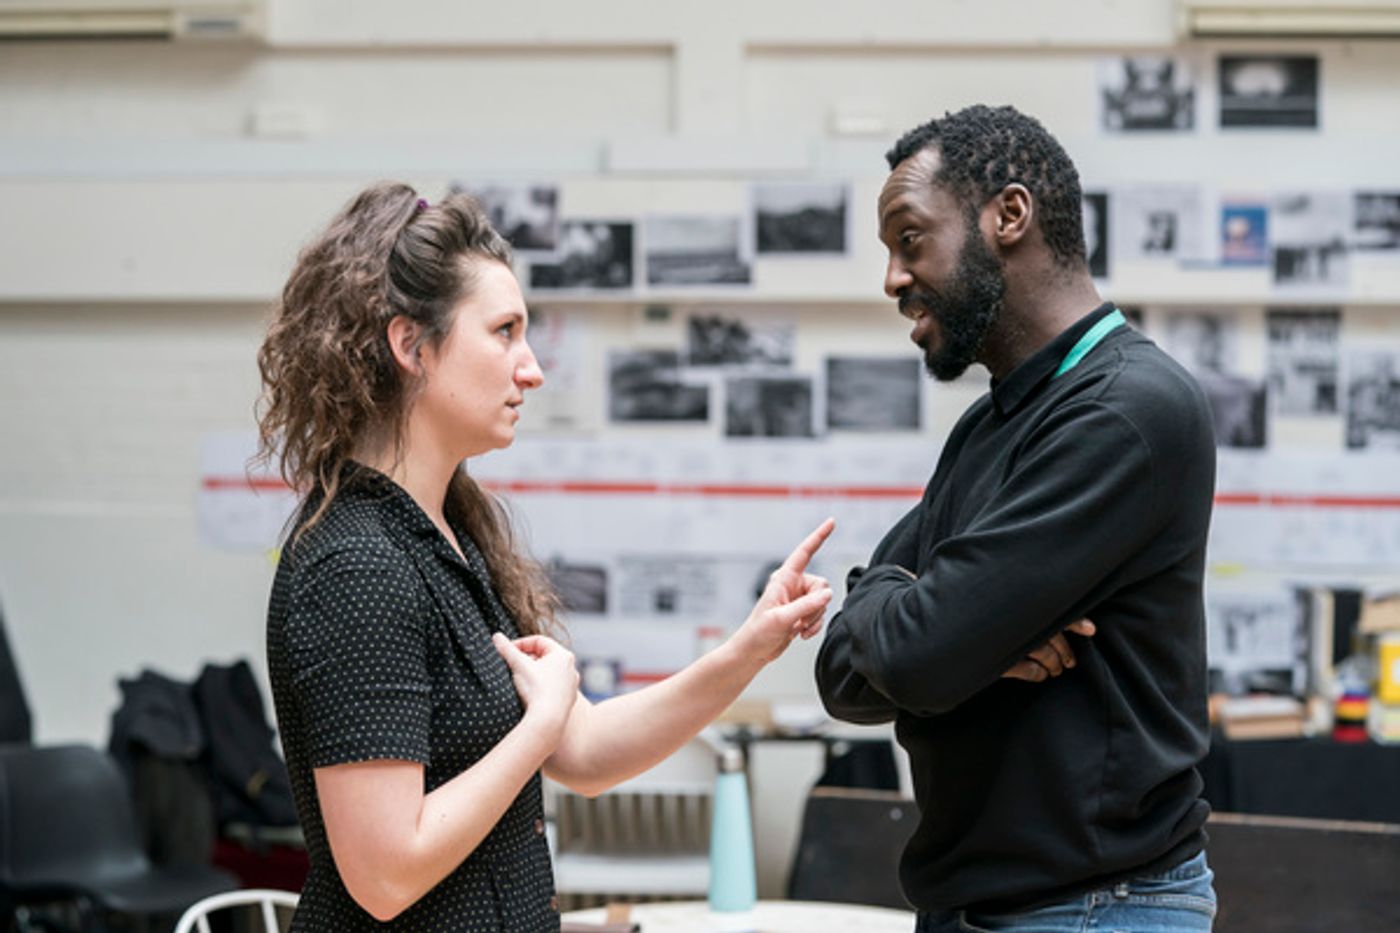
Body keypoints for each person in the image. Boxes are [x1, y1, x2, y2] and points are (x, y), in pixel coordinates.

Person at [256, 182, 834, 932]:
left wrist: (749, 648)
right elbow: (385, 872)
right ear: (411, 345)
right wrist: (539, 725)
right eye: (504, 331)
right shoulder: (358, 566)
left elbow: (586, 752)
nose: (531, 368)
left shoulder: (446, 536)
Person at [815, 104, 1219, 932]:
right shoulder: (992, 424)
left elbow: (918, 658)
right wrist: (942, 620)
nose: (892, 278)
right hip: (993, 906)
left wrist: (936, 626)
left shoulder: (1126, 412)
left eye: (910, 238)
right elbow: (843, 673)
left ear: (1008, 215)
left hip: (1093, 909)